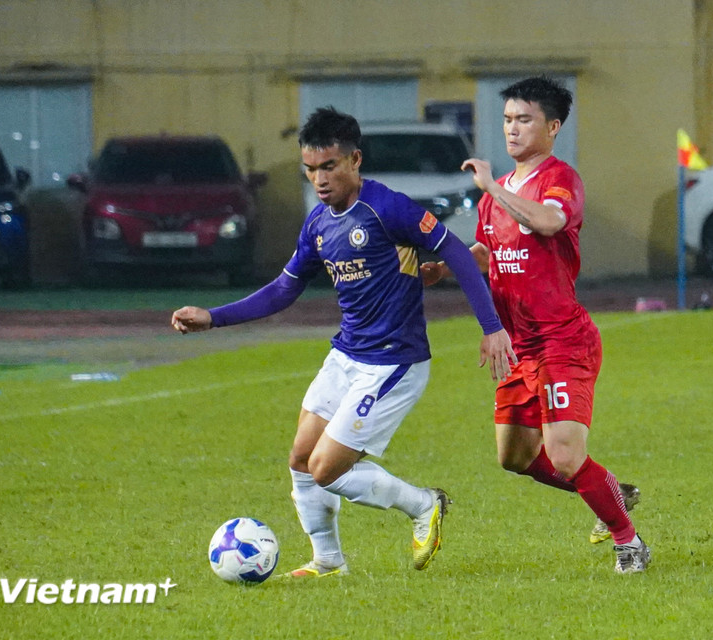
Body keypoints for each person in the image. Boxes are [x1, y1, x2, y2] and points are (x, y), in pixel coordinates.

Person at [171, 107, 516, 577]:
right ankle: (329, 561)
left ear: (355, 160)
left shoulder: (387, 207)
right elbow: (284, 289)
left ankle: (423, 504)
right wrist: (214, 317)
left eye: (329, 166)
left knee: (325, 469)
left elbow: (454, 250)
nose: (319, 179)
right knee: (300, 459)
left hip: (394, 361)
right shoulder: (319, 224)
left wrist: (491, 327)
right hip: (347, 355)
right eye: (310, 169)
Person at [420, 77, 650, 573]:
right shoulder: (497, 195)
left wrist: (490, 187)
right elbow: (489, 251)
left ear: (553, 126)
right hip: (518, 346)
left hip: (562, 341)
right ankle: (610, 490)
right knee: (515, 458)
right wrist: (447, 267)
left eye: (524, 119)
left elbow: (549, 222)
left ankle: (629, 542)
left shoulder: (560, 179)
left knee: (564, 455)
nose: (512, 129)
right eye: (507, 119)